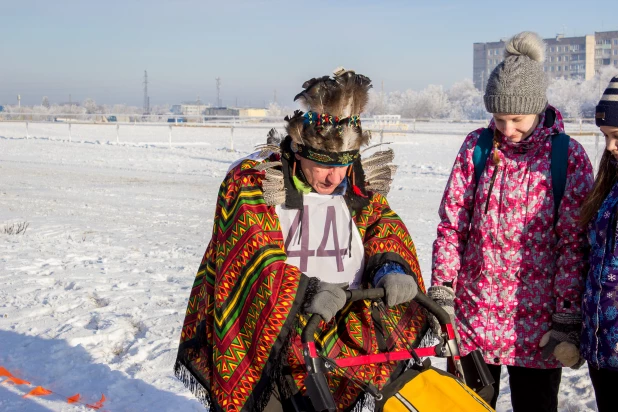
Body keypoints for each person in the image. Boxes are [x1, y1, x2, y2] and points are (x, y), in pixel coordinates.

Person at [174, 68, 427, 411]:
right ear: (299, 147)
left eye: (343, 165)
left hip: (337, 332)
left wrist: (390, 268)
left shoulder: (354, 184)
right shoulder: (256, 182)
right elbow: (252, 258)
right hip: (267, 339)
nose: (334, 177)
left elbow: (382, 225)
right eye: (322, 166)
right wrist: (307, 290)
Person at [429, 31, 594, 411]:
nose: (506, 129)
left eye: (516, 119)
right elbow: (452, 226)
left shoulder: (567, 157)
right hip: (472, 320)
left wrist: (566, 315)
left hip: (536, 327)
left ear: (538, 107)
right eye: (498, 118)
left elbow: (573, 243)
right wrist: (443, 293)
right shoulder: (477, 146)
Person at [580, 75, 618, 412]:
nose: (609, 148)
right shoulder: (611, 185)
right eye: (606, 137)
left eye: (617, 137)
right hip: (603, 346)